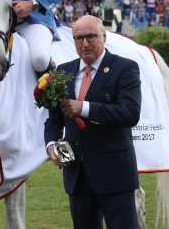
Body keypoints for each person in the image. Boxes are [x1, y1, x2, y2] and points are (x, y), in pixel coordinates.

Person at [44, 15, 141, 229]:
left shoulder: (125, 68)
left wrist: (84, 108)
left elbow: (130, 113)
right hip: (77, 175)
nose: (84, 44)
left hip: (115, 174)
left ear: (104, 37)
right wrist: (51, 146)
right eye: (78, 38)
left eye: (91, 37)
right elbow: (53, 120)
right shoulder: (63, 72)